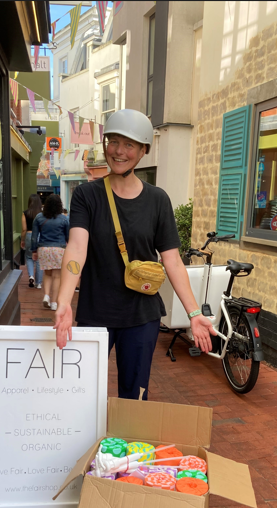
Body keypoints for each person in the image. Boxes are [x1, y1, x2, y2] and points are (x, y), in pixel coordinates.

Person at [53, 108, 216, 400]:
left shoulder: (157, 200)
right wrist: (64, 300)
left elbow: (172, 261)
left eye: (129, 144)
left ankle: (126, 445)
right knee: (82, 393)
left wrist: (194, 313)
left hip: (141, 316)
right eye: (113, 141)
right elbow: (77, 247)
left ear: (143, 150)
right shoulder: (87, 196)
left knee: (135, 394)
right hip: (96, 312)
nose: (119, 151)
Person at [32, 194, 70, 311]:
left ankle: (46, 296)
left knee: (47, 274)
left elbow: (34, 236)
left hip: (44, 249)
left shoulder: (39, 217)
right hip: (59, 249)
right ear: (59, 205)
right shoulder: (64, 219)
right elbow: (68, 237)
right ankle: (54, 303)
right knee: (57, 276)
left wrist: (34, 250)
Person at [21, 193, 43, 288]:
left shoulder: (25, 213)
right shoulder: (42, 214)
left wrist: (22, 240)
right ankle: (38, 283)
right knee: (39, 260)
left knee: (29, 257)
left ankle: (31, 276)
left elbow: (24, 229)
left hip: (29, 235)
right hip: (40, 236)